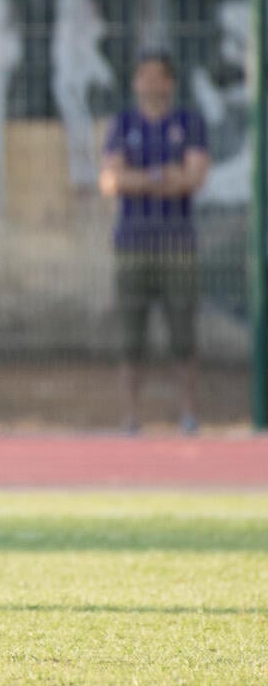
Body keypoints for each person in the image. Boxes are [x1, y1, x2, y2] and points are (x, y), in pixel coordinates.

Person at [98, 51, 209, 434]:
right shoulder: (122, 124)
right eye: (143, 76)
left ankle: (189, 413)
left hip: (177, 244)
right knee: (131, 336)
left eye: (158, 76)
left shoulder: (188, 123)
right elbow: (111, 181)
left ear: (170, 83)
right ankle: (131, 416)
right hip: (132, 243)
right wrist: (161, 177)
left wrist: (138, 178)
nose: (150, 84)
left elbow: (194, 178)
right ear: (135, 83)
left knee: (183, 332)